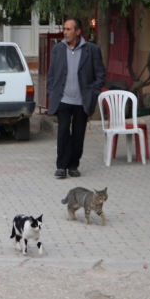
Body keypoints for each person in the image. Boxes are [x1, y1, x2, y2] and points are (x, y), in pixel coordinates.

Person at [46, 17, 106, 178]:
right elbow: (51, 73)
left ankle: (73, 165)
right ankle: (61, 166)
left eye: (68, 29)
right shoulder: (58, 49)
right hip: (63, 99)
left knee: (78, 134)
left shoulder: (92, 50)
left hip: (82, 101)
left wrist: (94, 91)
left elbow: (100, 74)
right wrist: (50, 90)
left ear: (78, 31)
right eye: (64, 29)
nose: (65, 32)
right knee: (63, 132)